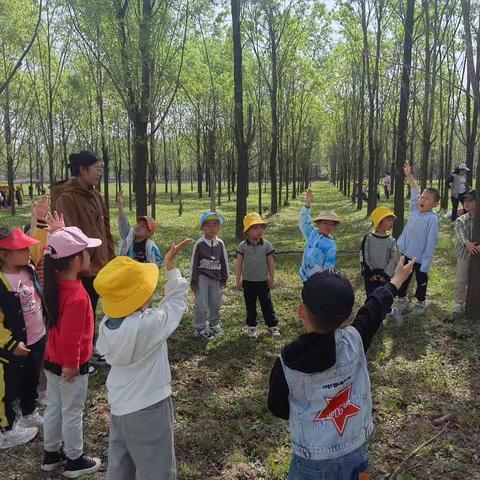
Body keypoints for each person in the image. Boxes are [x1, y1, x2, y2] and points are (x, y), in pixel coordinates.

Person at [267, 258, 415, 479]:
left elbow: (278, 408)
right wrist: (397, 279)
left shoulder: (286, 363)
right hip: (354, 453)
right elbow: (374, 308)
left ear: (300, 311)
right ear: (346, 319)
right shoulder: (356, 340)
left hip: (310, 462)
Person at [94, 239, 191, 480]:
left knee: (120, 467)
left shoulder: (106, 326)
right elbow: (177, 304)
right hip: (151, 409)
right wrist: (171, 267)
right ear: (139, 299)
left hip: (120, 408)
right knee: (157, 470)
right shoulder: (150, 325)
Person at [41, 225, 102, 477]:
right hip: (69, 365)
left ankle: (51, 455)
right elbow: (72, 337)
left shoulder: (53, 283)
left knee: (54, 407)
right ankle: (75, 459)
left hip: (51, 361)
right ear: (77, 260)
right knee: (72, 411)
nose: (90, 256)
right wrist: (72, 364)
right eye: (87, 252)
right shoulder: (77, 295)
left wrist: (58, 234)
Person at [51, 151, 115, 367]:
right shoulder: (66, 198)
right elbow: (68, 237)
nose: (99, 172)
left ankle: (90, 350)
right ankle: (77, 358)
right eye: (96, 168)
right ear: (82, 170)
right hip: (81, 268)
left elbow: (105, 226)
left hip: (99, 264)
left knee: (91, 309)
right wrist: (82, 263)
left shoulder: (95, 194)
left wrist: (110, 255)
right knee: (77, 314)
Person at [0, 199, 50, 449]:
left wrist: (39, 221)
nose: (27, 252)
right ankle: (6, 429)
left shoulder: (27, 267)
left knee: (32, 377)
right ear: (4, 255)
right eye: (20, 249)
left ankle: (29, 411)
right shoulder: (1, 282)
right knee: (8, 387)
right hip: (13, 346)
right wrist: (10, 344)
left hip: (37, 336)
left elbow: (38, 247)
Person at [392, 164, 440, 325]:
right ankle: (402, 298)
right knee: (403, 278)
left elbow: (430, 243)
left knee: (421, 280)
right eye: (422, 197)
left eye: (427, 198)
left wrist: (425, 263)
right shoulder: (415, 210)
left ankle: (420, 303)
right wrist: (409, 176)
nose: (422, 199)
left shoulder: (432, 219)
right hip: (407, 253)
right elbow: (414, 193)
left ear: (435, 204)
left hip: (420, 258)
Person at [236, 212, 280, 338]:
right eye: (255, 228)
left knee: (267, 304)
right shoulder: (242, 246)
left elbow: (270, 262)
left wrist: (271, 277)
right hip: (248, 281)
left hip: (262, 281)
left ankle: (272, 325)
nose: (259, 230)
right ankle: (251, 327)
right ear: (247, 231)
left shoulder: (266, 245)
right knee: (250, 305)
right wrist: (238, 280)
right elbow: (239, 264)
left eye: (261, 227)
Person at [190, 211, 229, 340]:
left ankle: (214, 323)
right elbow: (194, 263)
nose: (212, 228)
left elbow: (224, 260)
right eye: (208, 225)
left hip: (216, 277)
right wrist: (193, 281)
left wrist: (225, 277)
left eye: (215, 224)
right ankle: (200, 327)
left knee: (215, 302)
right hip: (202, 277)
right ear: (202, 227)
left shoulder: (221, 244)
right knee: (201, 303)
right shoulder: (199, 244)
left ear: (219, 227)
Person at [299, 188, 340, 282]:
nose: (329, 226)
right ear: (318, 224)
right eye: (325, 223)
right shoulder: (312, 233)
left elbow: (329, 264)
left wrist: (325, 279)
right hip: (305, 275)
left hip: (318, 279)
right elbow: (304, 222)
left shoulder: (331, 244)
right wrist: (307, 204)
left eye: (332, 224)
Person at [118, 191, 163, 267]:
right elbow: (123, 222)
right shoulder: (128, 239)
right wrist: (120, 206)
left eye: (144, 226)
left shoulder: (150, 246)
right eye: (138, 223)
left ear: (149, 233)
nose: (139, 226)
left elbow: (159, 264)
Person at [452, 190, 479, 316]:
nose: (466, 203)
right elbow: (459, 234)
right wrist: (467, 243)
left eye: (470, 200)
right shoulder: (461, 220)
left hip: (477, 253)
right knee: (461, 278)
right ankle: (459, 302)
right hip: (464, 253)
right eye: (465, 201)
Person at [360, 206, 398, 297]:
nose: (391, 222)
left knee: (384, 298)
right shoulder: (368, 238)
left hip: (384, 277)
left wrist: (385, 275)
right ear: (379, 221)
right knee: (371, 297)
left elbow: (393, 259)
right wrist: (370, 274)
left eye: (392, 220)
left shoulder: (391, 241)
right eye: (388, 220)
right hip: (371, 277)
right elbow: (364, 256)